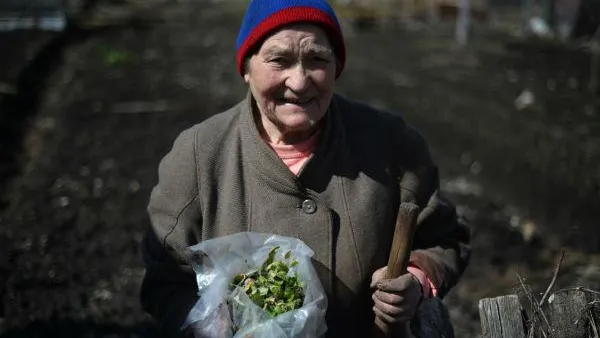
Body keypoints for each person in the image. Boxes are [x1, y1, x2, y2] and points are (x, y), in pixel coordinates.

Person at [140, 0, 471, 337]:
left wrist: (415, 282)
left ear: (337, 67)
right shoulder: (198, 154)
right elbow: (165, 280)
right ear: (246, 68)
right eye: (279, 60)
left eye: (317, 60)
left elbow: (446, 240)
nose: (299, 82)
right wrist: (210, 325)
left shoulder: (390, 144)